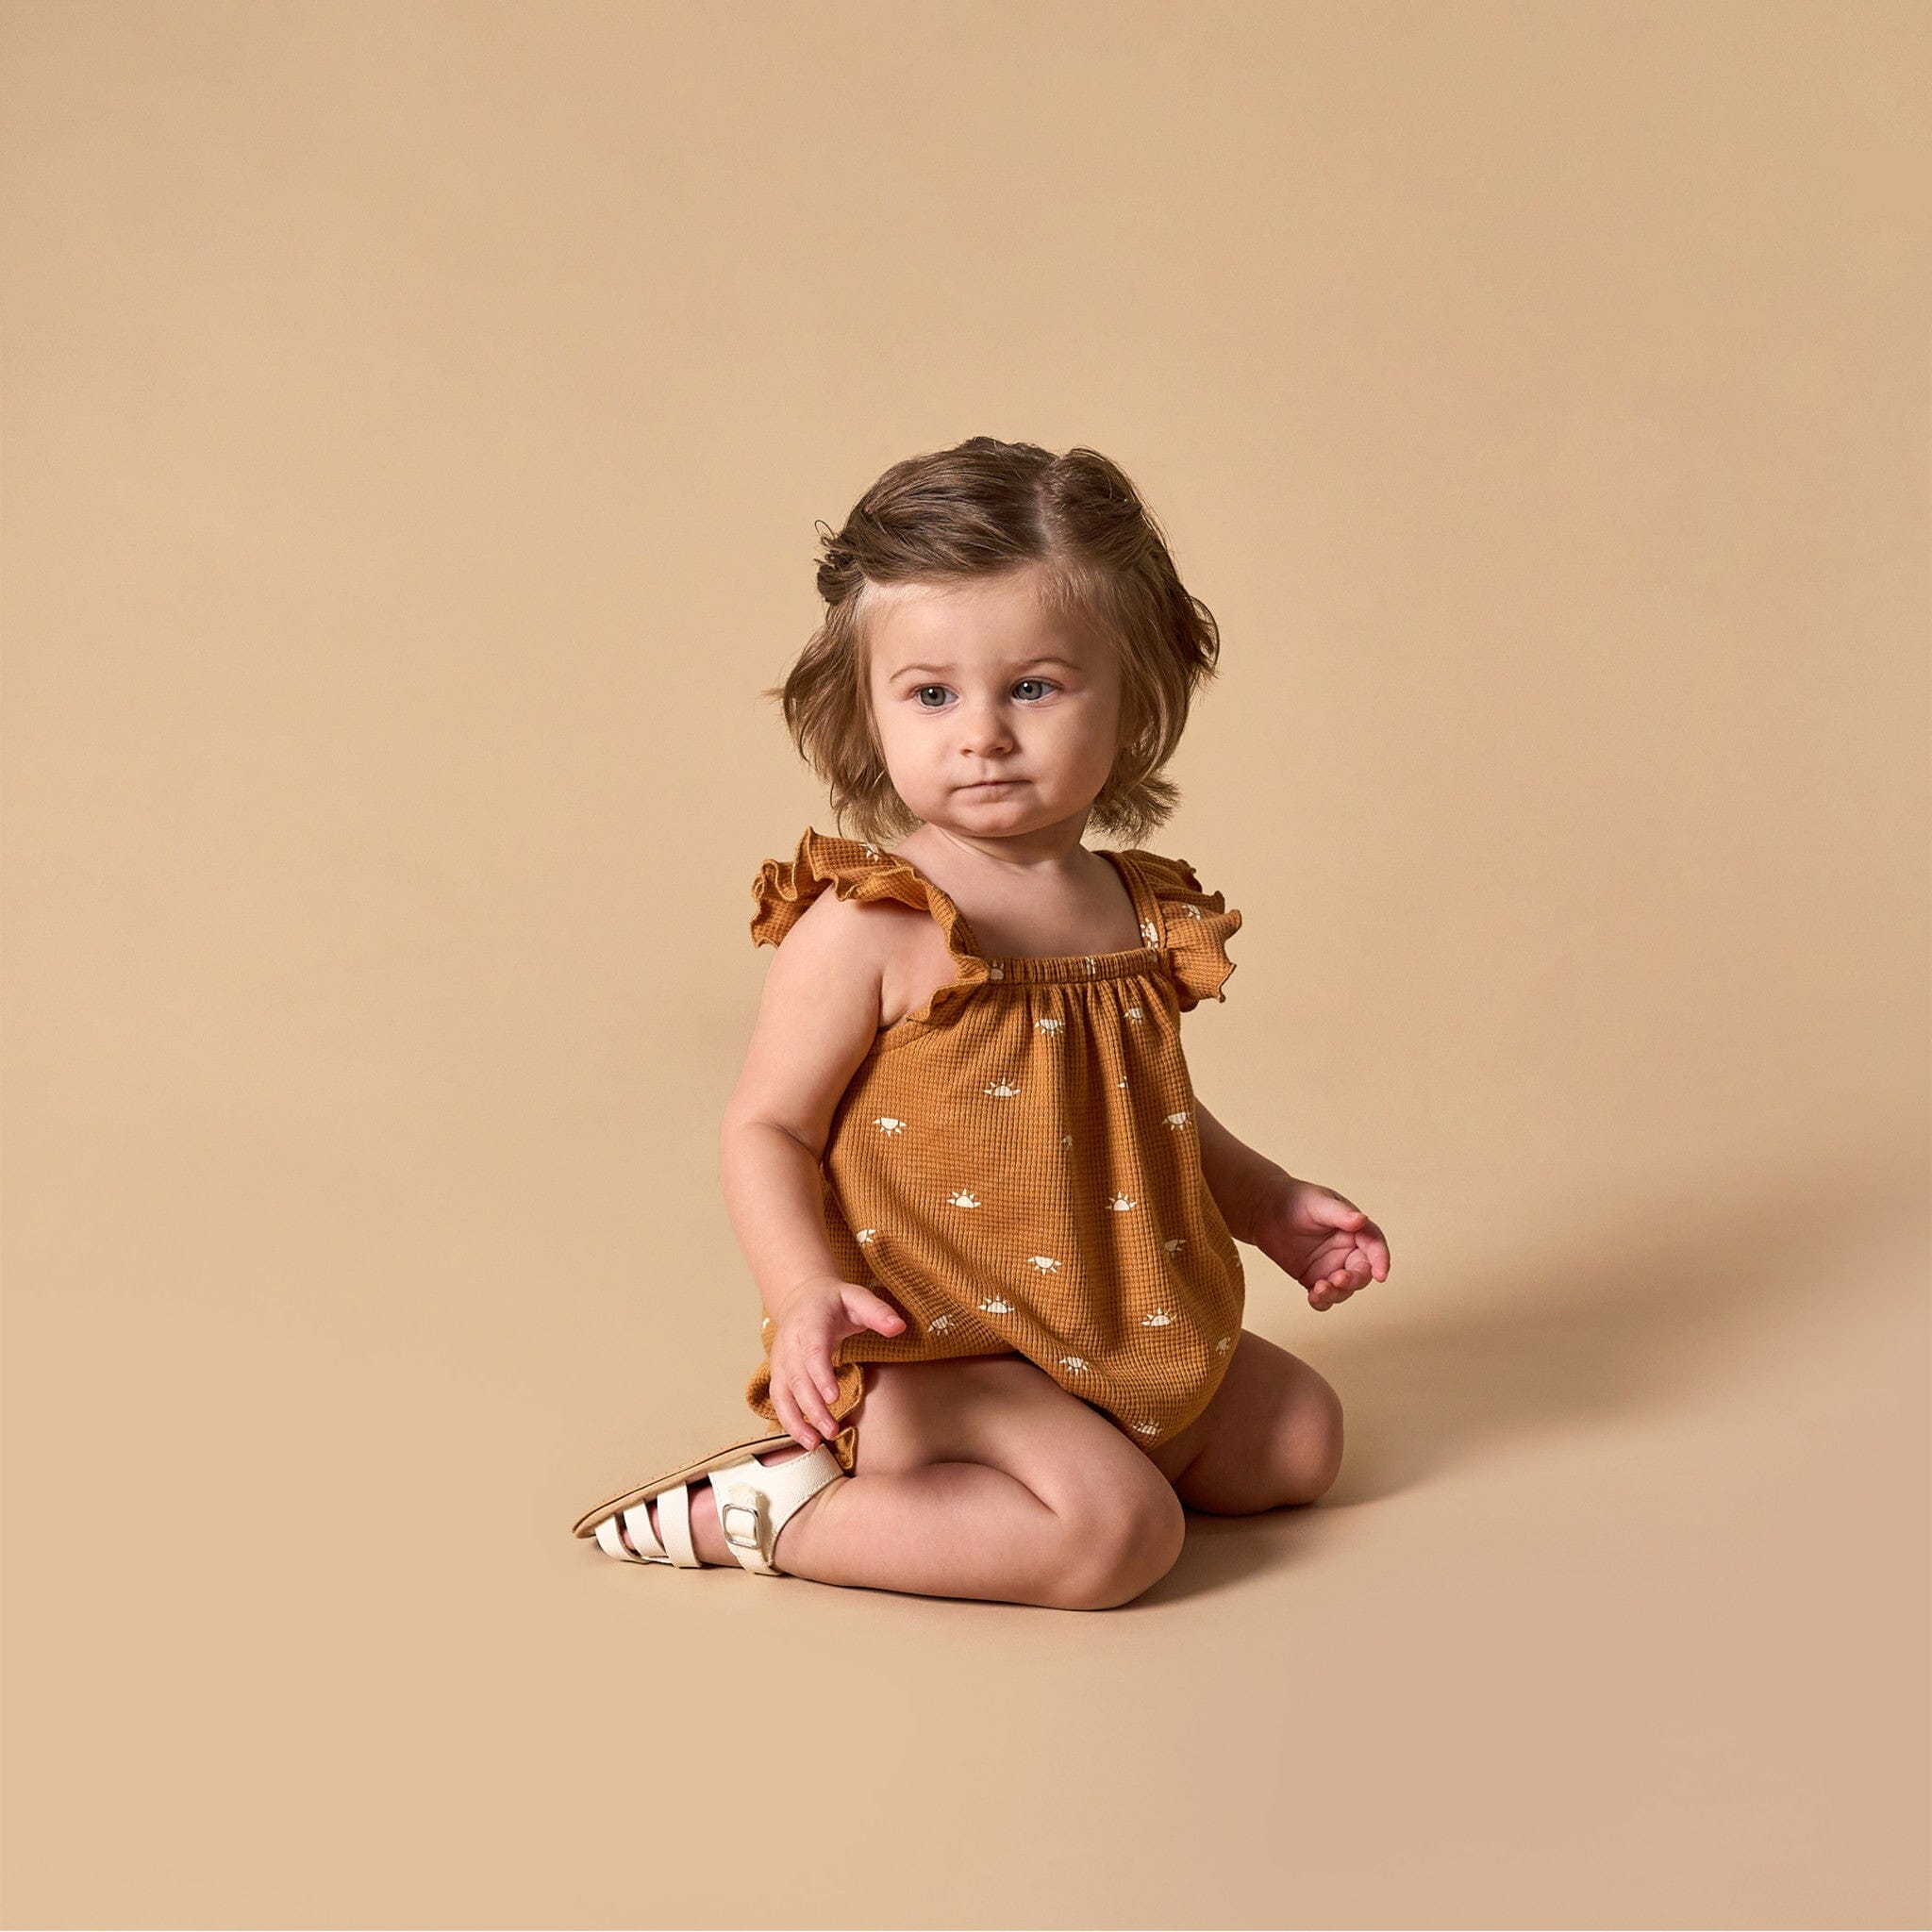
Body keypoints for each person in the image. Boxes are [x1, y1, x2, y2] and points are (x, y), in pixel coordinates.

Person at [572, 437, 1390, 1607]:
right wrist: (803, 1293)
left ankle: (1071, 1461)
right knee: (1117, 1540)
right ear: (866, 708)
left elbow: (1142, 1108)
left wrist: (1266, 1205)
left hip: (1114, 1319)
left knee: (1297, 1441)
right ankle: (775, 1514)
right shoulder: (871, 923)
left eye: (1033, 688)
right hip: (942, 1348)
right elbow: (767, 1129)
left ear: (1134, 696)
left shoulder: (1135, 909)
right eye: (931, 694)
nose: (982, 734)